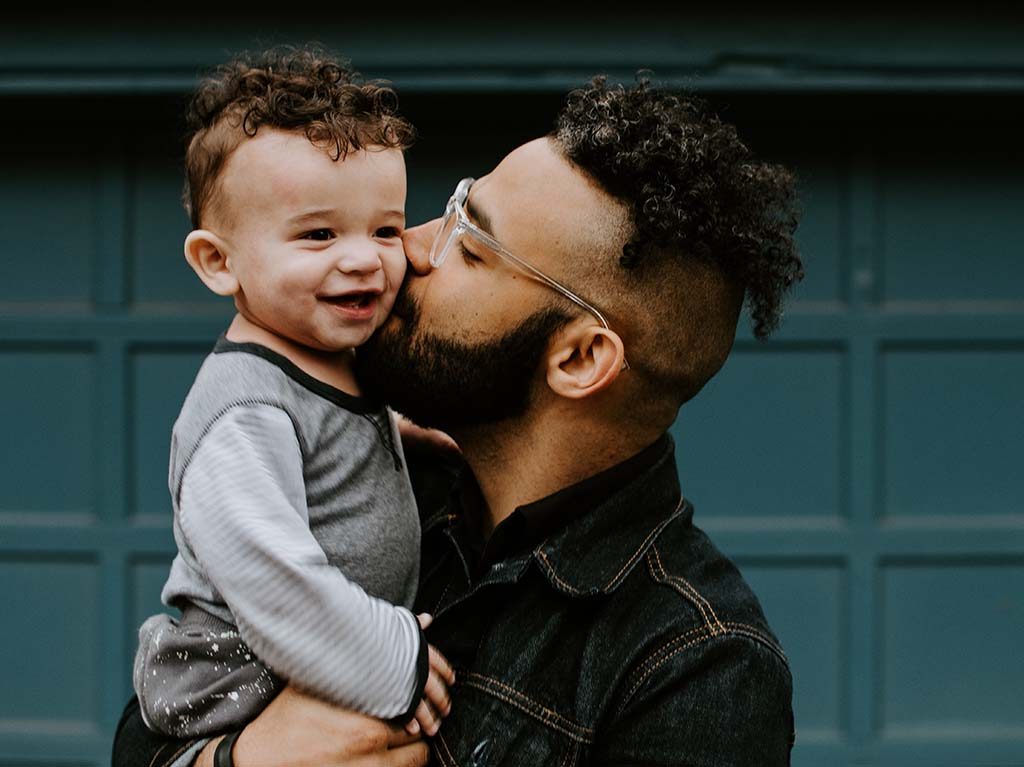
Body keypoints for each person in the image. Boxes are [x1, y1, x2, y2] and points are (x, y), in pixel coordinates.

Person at [114, 70, 804, 767]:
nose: (405, 247)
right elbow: (150, 723)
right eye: (450, 210)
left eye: (470, 247)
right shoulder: (380, 477)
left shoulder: (695, 666)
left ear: (579, 358)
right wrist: (240, 758)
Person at [129, 45, 454, 746]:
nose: (364, 256)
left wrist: (401, 434)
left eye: (386, 229)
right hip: (237, 681)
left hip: (312, 662)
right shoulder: (244, 412)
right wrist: (392, 659)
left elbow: (330, 438)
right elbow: (272, 576)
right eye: (318, 234)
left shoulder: (332, 358)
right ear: (219, 262)